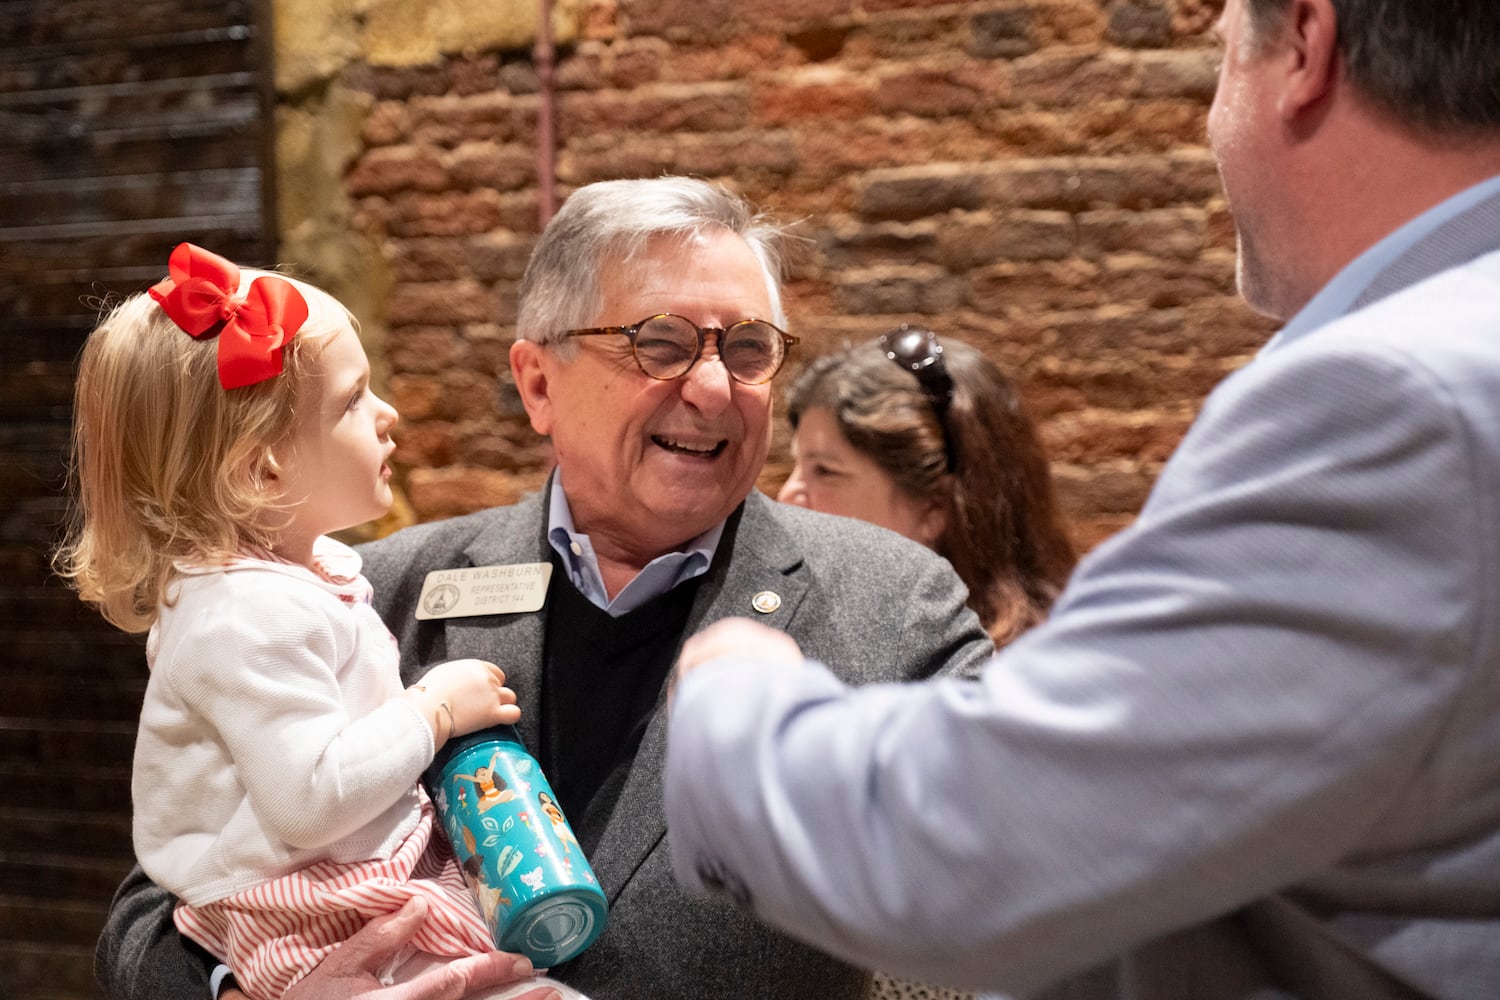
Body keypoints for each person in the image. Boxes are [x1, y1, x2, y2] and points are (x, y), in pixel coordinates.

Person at [663, 1, 1500, 997]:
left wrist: (733, 687)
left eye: (1222, 52)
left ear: (1306, 48)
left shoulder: (1394, 398)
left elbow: (973, 844)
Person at [95, 178, 996, 1000]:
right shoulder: (372, 589)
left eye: (750, 349)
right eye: (662, 345)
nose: (716, 389)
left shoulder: (897, 606)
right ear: (538, 384)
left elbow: (997, 920)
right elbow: (158, 901)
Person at [57, 243, 565, 1000]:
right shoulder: (248, 613)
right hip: (319, 916)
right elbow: (312, 797)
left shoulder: (285, 583)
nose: (388, 414)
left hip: (347, 891)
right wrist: (432, 711)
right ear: (260, 470)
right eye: (355, 400)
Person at [778, 329, 1076, 645]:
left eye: (825, 471)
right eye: (797, 466)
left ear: (935, 507)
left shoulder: (1013, 678)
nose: (787, 497)